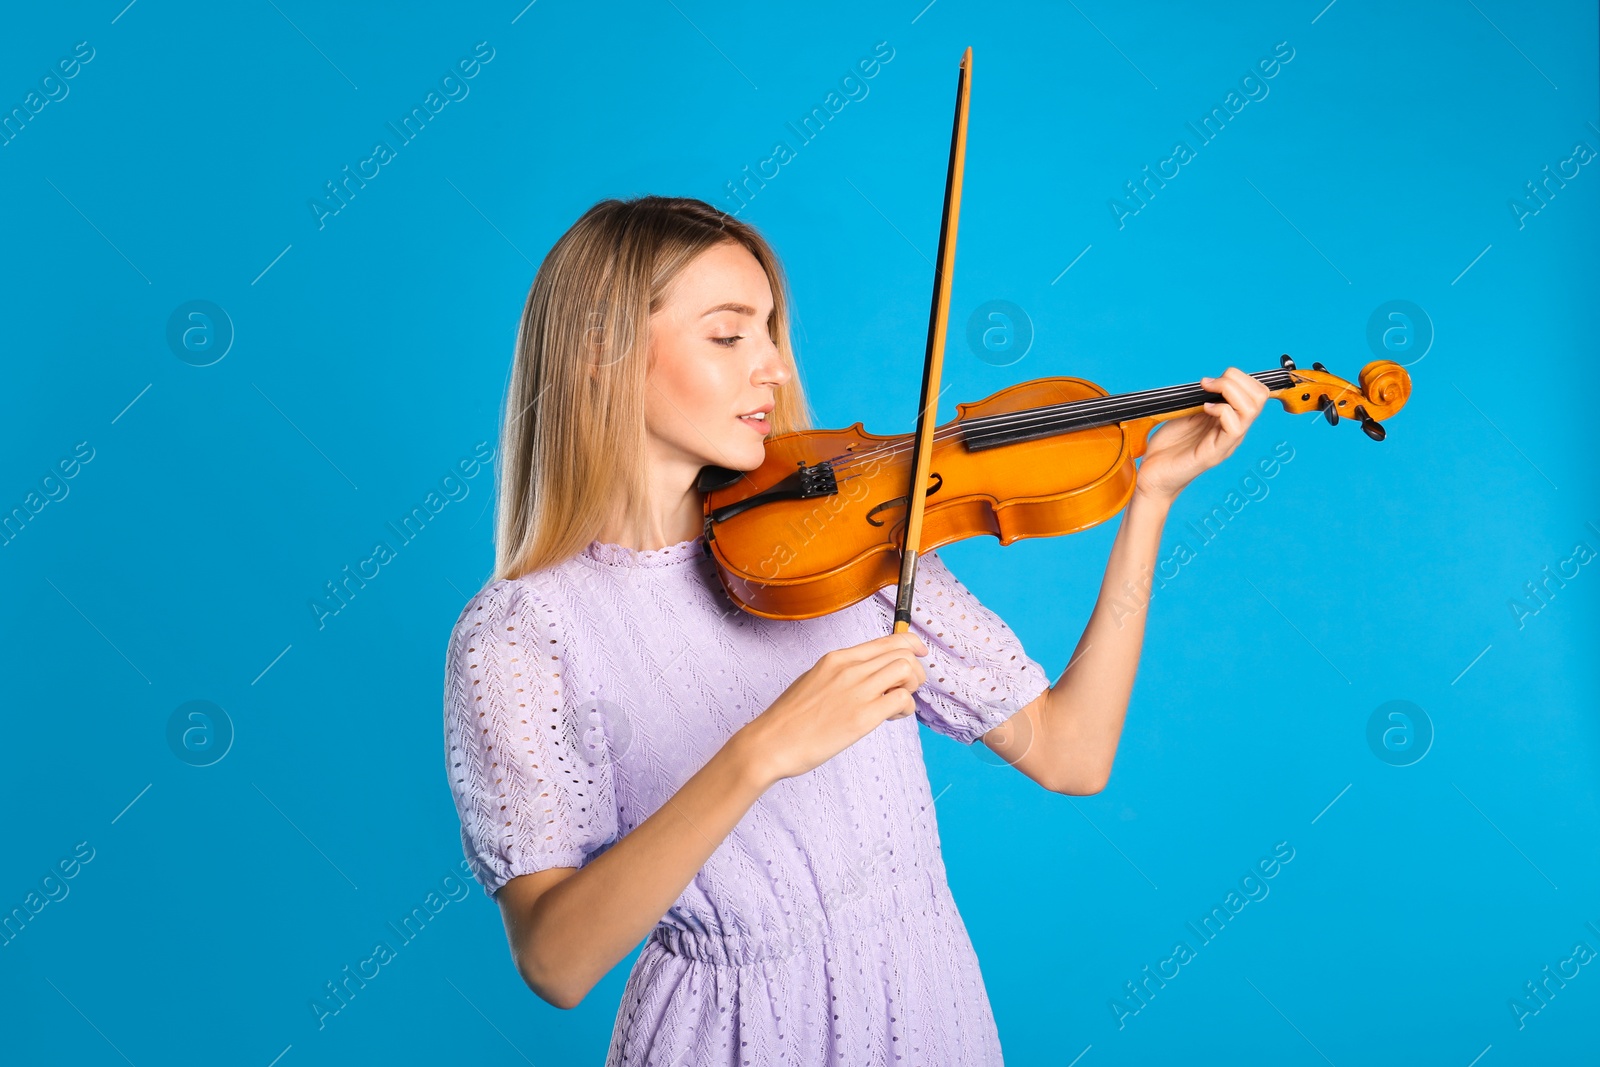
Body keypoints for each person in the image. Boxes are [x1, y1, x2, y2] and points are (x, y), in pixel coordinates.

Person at [442, 195, 1268, 1065]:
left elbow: (1073, 752)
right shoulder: (523, 632)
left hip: (925, 1006)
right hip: (725, 1037)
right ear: (599, 356)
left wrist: (1150, 500)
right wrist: (761, 750)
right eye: (729, 336)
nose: (772, 367)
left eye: (770, 331)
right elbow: (555, 959)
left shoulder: (844, 536)